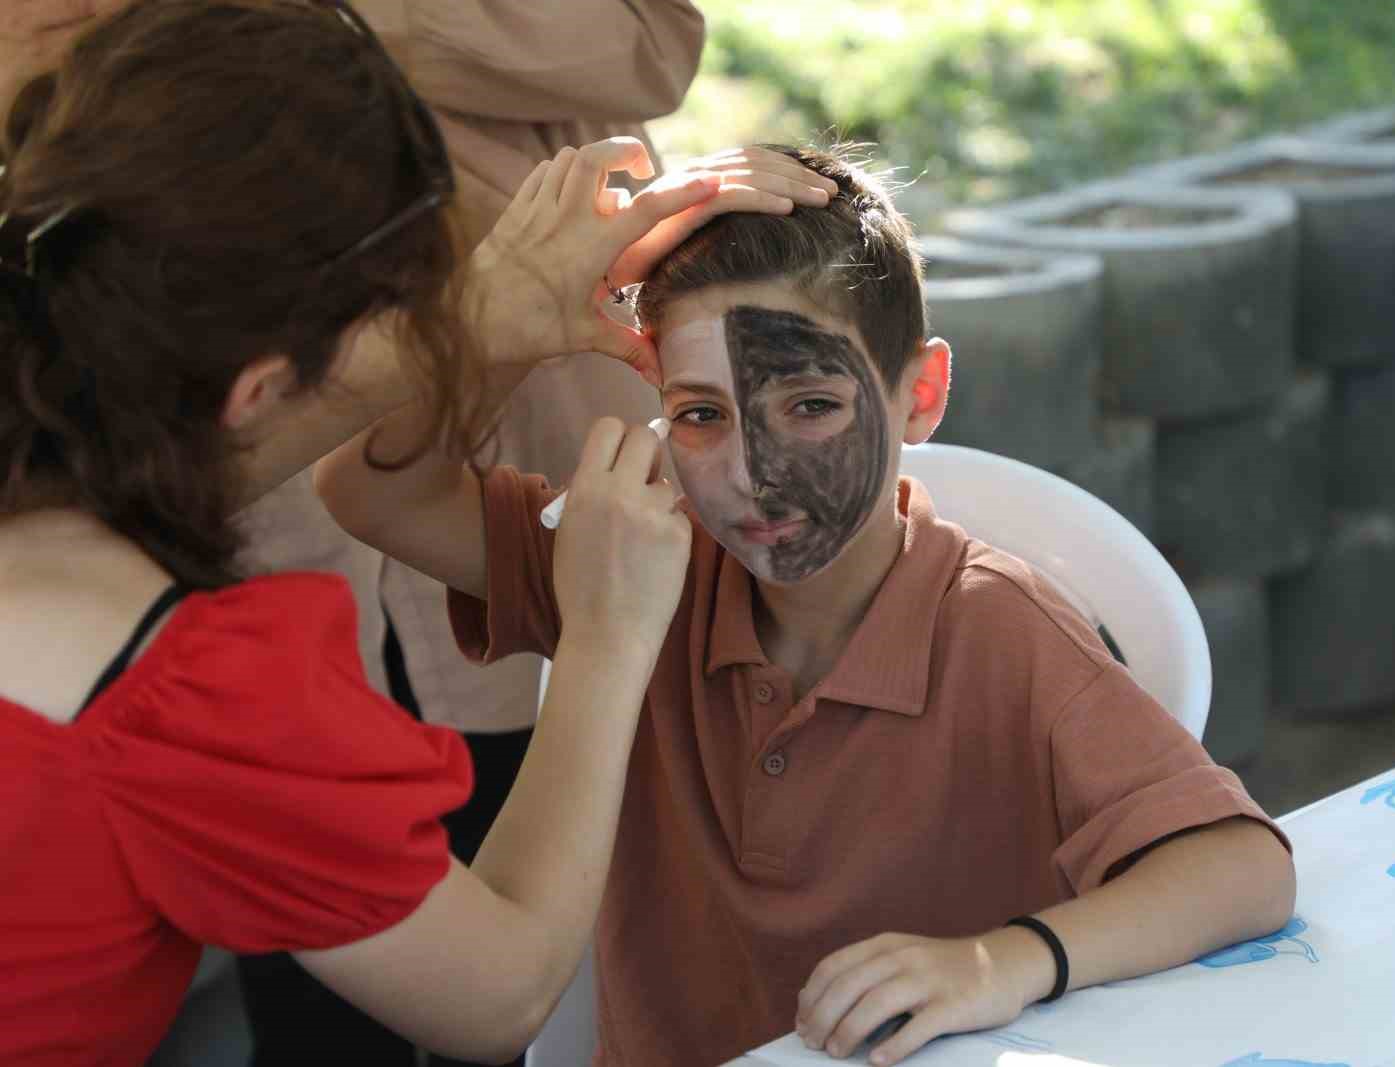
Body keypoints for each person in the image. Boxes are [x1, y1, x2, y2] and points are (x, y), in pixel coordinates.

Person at [317, 143, 1300, 1067]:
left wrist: (1002, 960)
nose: (755, 472)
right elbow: (367, 491)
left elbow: (1243, 866)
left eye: (812, 405)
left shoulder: (1001, 627)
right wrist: (499, 330)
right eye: (702, 414)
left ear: (920, 394)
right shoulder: (636, 565)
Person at [0, 3, 826, 1064]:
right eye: (400, 330)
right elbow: (500, 989)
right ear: (260, 387)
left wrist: (483, 321)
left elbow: (151, 472)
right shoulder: (186, 697)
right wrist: (605, 635)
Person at [231, 4, 714, 1062]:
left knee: (533, 849)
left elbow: (656, 39)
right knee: (317, 984)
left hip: (536, 415)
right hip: (251, 484)